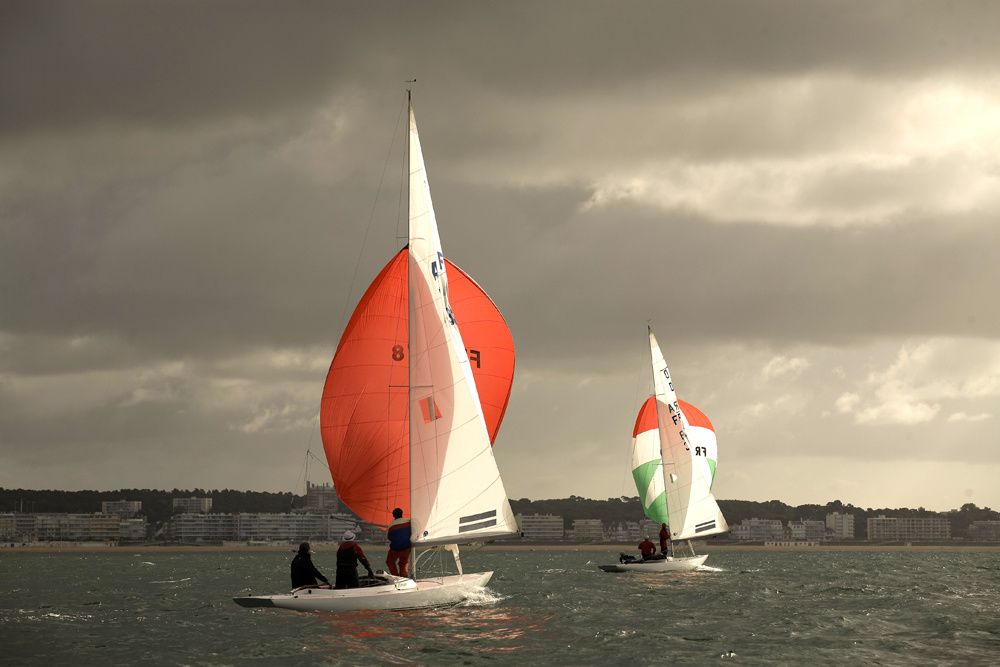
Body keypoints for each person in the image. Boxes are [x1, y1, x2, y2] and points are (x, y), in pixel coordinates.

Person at [385, 507, 412, 577]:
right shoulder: (409, 521)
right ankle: (404, 578)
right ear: (402, 514)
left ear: (393, 516)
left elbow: (389, 538)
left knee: (390, 562)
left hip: (395, 549)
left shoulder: (391, 525)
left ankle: (396, 577)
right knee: (403, 564)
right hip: (407, 547)